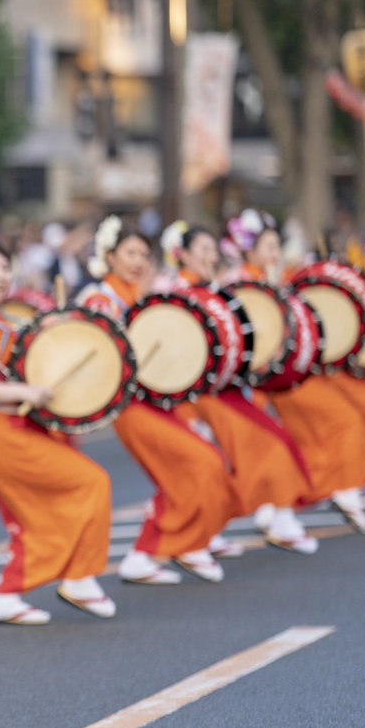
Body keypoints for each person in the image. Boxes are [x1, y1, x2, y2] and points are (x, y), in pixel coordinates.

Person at [0, 231, 114, 624]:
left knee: (45, 509)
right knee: (88, 483)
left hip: (11, 424)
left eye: (4, 267)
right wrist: (26, 389)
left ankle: (16, 592)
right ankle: (72, 578)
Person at [75, 222, 241, 584]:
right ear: (109, 257)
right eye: (130, 253)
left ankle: (162, 549)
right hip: (129, 405)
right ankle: (170, 546)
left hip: (153, 401)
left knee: (196, 468)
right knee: (197, 463)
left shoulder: (141, 294)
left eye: (143, 255)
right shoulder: (99, 299)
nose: (138, 261)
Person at [180, 227, 320, 554]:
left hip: (226, 386)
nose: (209, 256)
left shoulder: (217, 286)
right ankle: (268, 517)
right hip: (200, 393)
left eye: (212, 249)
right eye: (202, 248)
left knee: (263, 445)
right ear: (183, 254)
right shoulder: (178, 290)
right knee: (242, 452)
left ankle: (272, 514)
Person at [237, 221, 365, 531]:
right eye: (268, 248)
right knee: (342, 421)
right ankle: (315, 494)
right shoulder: (243, 284)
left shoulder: (274, 279)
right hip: (271, 379)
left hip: (290, 373)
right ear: (250, 251)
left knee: (311, 439)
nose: (275, 254)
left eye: (277, 247)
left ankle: (284, 503)